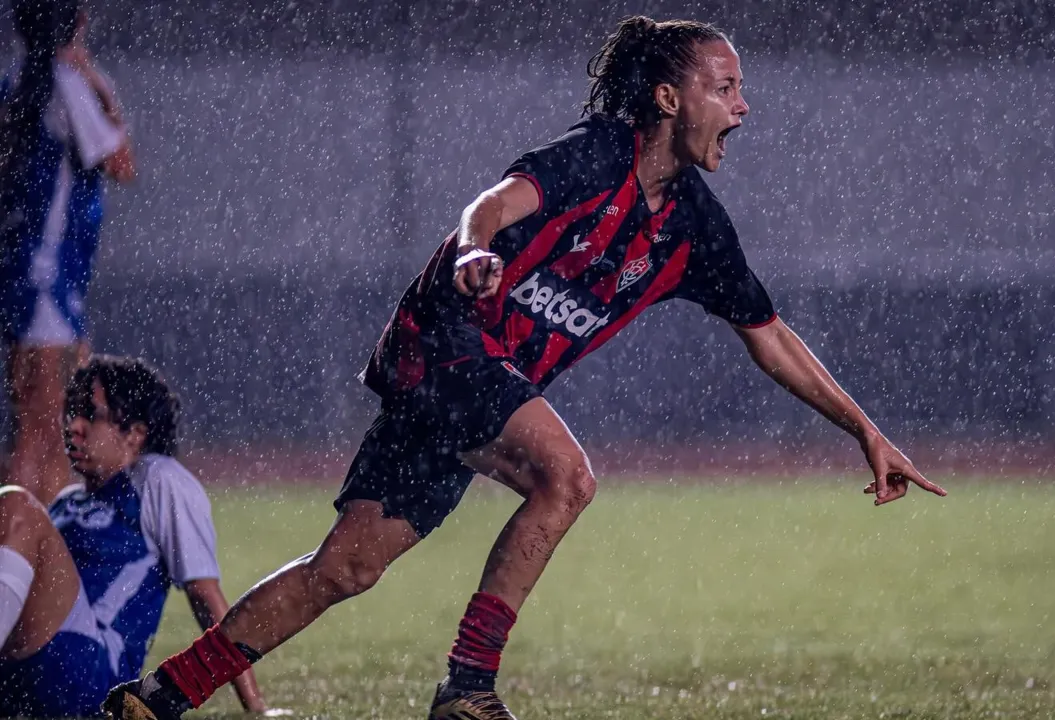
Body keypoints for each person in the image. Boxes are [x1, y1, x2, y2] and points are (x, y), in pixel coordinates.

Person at [103, 15, 947, 720]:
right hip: (446, 340)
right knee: (567, 478)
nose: (743, 107)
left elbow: (769, 337)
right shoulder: (596, 154)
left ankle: (161, 696)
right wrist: (474, 249)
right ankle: (468, 687)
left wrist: (864, 430)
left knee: (347, 566)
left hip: (469, 379)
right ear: (667, 96)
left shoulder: (693, 227)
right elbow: (496, 203)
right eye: (725, 88)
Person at [0, 355, 267, 717]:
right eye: (72, 412)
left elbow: (205, 597)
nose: (73, 426)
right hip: (27, 676)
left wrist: (256, 706)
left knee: (14, 505)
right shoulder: (67, 502)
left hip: (92, 674)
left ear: (134, 435)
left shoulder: (159, 480)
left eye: (91, 415)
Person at [0, 0, 135, 506]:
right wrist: (95, 78)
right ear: (75, 24)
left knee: (35, 426)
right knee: (49, 432)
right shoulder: (66, 85)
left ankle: (31, 551)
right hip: (49, 278)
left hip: (24, 273)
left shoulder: (16, 80)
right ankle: (28, 555)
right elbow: (122, 162)